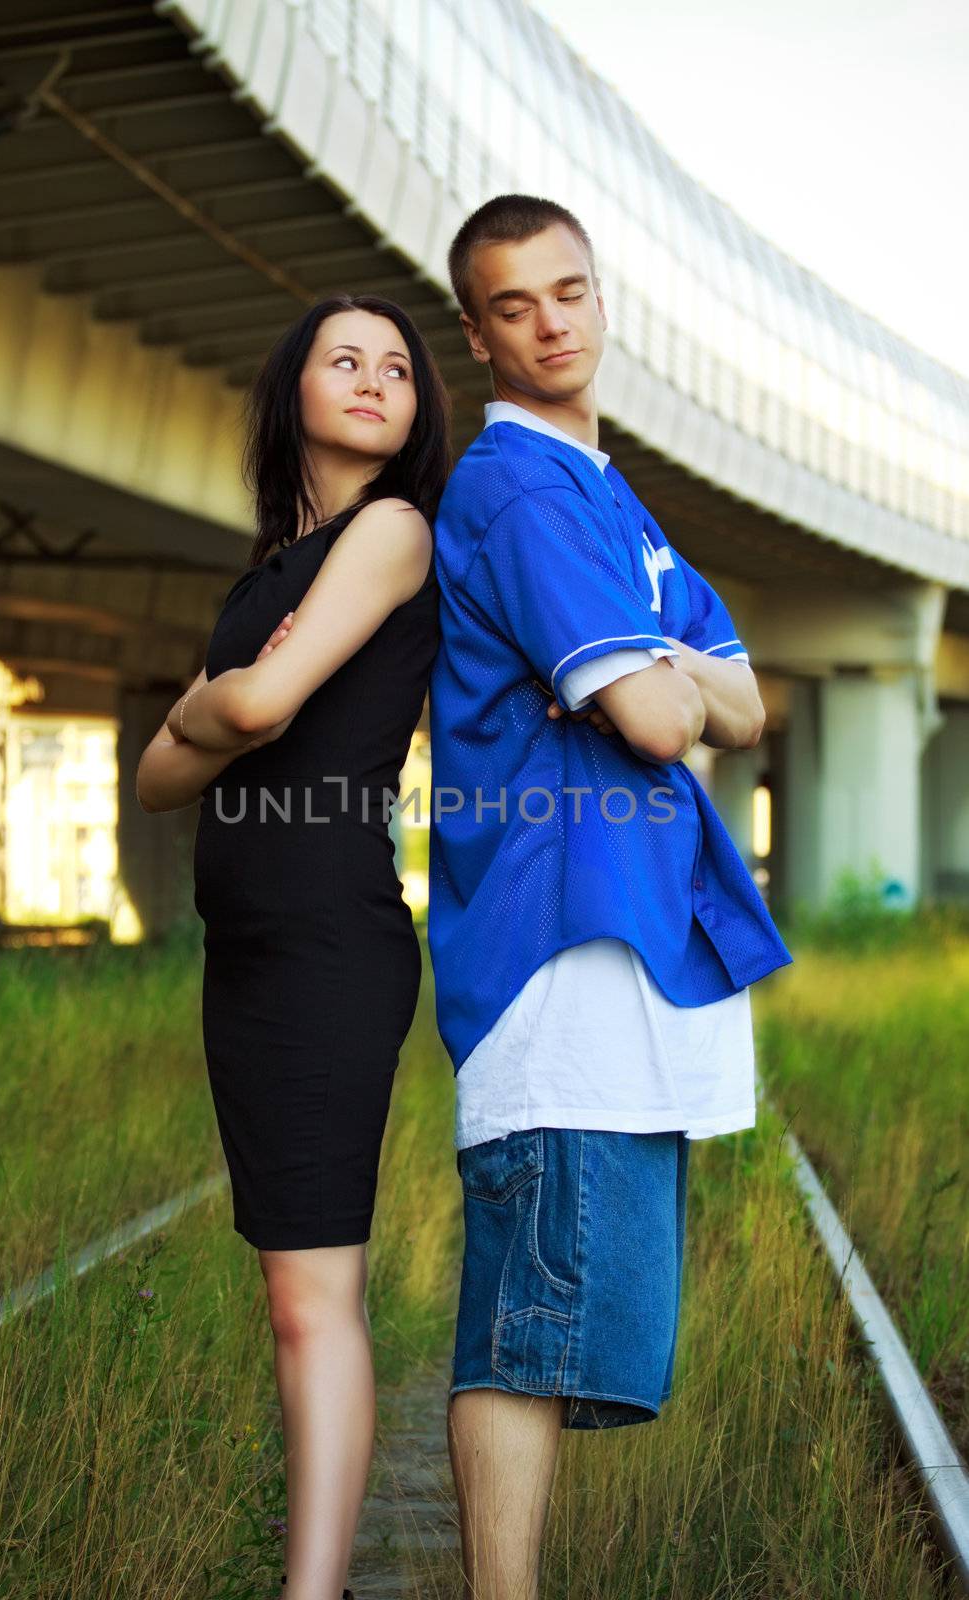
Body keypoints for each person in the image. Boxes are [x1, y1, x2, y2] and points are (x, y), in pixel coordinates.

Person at [427, 194, 795, 1599]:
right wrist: (670, 674)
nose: (550, 323)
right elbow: (654, 718)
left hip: (624, 958)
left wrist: (672, 676)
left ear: (600, 294)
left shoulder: (608, 494)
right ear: (476, 334)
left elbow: (742, 704)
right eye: (513, 306)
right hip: (555, 953)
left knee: (564, 1322)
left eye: (568, 291)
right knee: (529, 1330)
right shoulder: (516, 490)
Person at [135, 293, 452, 1600]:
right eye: (345, 360)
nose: (376, 379)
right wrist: (227, 711)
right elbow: (157, 780)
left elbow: (252, 706)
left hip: (329, 949)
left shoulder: (391, 532)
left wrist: (219, 704)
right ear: (293, 391)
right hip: (248, 959)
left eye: (397, 367)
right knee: (287, 1291)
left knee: (316, 1295)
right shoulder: (262, 575)